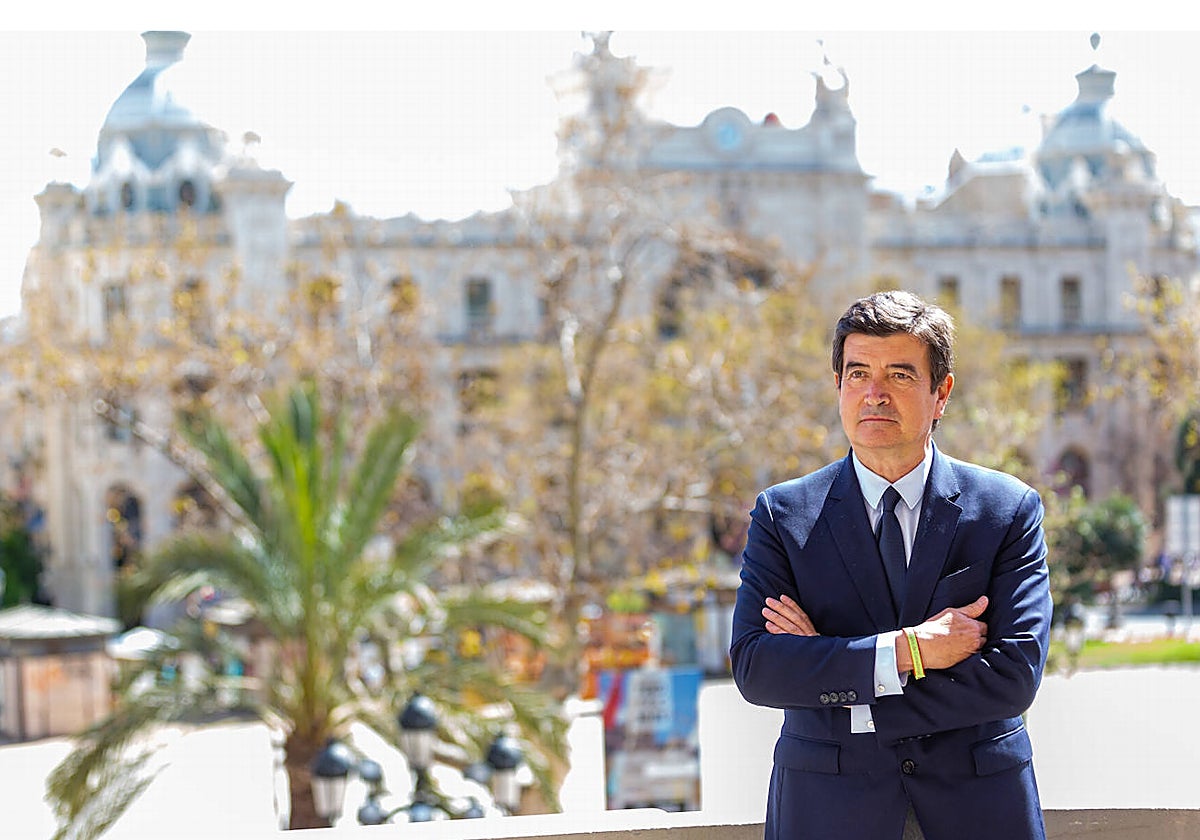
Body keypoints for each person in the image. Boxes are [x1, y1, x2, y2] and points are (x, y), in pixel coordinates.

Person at [729, 290, 1051, 840]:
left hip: (979, 811)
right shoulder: (784, 516)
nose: (874, 395)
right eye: (857, 374)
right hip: (826, 813)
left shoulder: (1006, 511)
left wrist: (837, 678)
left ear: (940, 393)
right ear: (838, 386)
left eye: (900, 376)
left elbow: (1013, 677)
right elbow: (759, 669)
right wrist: (912, 650)